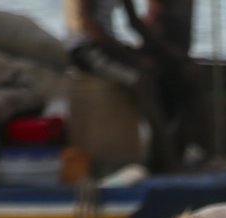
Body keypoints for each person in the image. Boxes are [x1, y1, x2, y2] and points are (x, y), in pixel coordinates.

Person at [63, 0, 190, 170]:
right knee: (142, 81)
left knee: (165, 73)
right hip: (86, 48)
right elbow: (87, 23)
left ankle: (164, 152)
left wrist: (166, 55)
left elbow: (133, 21)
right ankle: (166, 160)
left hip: (108, 44)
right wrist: (130, 57)